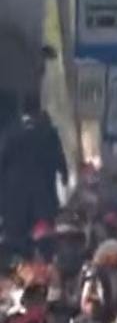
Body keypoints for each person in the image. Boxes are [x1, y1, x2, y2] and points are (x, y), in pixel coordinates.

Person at [0, 95, 68, 265]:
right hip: (43, 200)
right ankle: (44, 276)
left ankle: (17, 276)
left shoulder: (11, 132)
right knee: (45, 244)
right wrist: (64, 175)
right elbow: (59, 159)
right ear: (39, 109)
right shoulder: (48, 131)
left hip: (14, 203)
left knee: (15, 244)